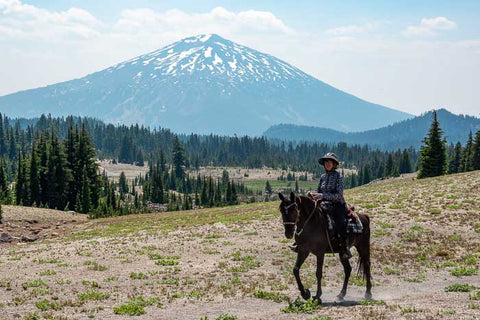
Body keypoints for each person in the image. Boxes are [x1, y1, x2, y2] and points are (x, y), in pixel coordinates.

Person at [314, 152, 352, 259]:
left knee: (340, 223)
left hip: (337, 206)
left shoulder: (338, 176)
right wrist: (314, 195)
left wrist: (322, 195)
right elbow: (319, 191)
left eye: (330, 162)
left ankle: (344, 248)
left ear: (334, 164)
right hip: (324, 204)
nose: (327, 163)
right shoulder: (322, 177)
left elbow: (339, 196)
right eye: (326, 162)